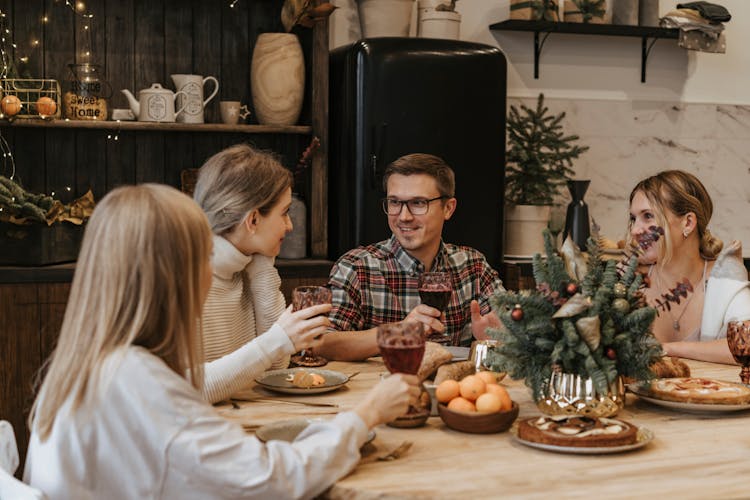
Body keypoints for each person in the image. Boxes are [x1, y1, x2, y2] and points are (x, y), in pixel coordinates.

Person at [24, 184, 420, 499]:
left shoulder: (93, 362)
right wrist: (365, 414)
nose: (210, 272)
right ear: (174, 275)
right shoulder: (135, 380)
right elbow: (271, 480)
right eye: (203, 257)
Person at [318, 153, 505, 361]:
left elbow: (510, 334)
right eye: (395, 202)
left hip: (456, 391)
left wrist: (498, 338)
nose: (404, 216)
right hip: (381, 391)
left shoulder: (473, 267)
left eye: (418, 203)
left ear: (448, 208)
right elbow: (322, 343)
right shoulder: (356, 267)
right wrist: (397, 333)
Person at [193, 144, 327, 403]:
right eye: (285, 213)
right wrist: (280, 338)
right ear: (253, 220)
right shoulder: (183, 279)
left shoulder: (248, 265)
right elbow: (186, 389)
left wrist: (263, 265)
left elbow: (276, 366)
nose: (289, 226)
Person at [629, 170, 750, 364]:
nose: (635, 230)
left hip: (712, 393)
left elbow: (746, 345)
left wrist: (667, 349)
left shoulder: (724, 277)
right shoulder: (629, 280)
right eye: (633, 219)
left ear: (688, 222)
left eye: (648, 216)